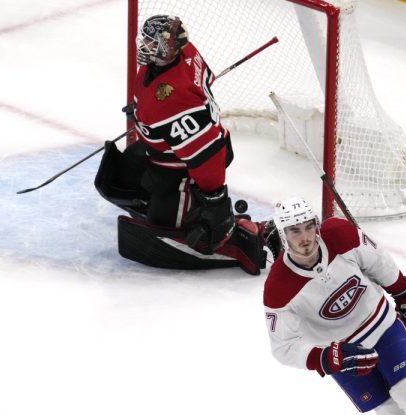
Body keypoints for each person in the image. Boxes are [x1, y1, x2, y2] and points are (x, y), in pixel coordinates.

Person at [94, 14, 278, 275]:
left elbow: (207, 154)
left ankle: (241, 242)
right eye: (144, 40)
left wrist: (215, 199)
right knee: (124, 175)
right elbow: (205, 80)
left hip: (186, 169)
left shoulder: (173, 101)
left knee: (173, 222)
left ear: (166, 49)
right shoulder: (185, 52)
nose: (143, 47)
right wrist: (142, 112)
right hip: (169, 150)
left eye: (150, 43)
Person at [263, 197, 406, 415]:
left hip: (381, 325)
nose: (305, 237)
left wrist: (403, 291)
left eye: (309, 226)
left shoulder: (340, 234)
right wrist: (326, 358)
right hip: (344, 353)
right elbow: (283, 347)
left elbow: (378, 262)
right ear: (283, 235)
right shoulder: (278, 287)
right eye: (295, 231)